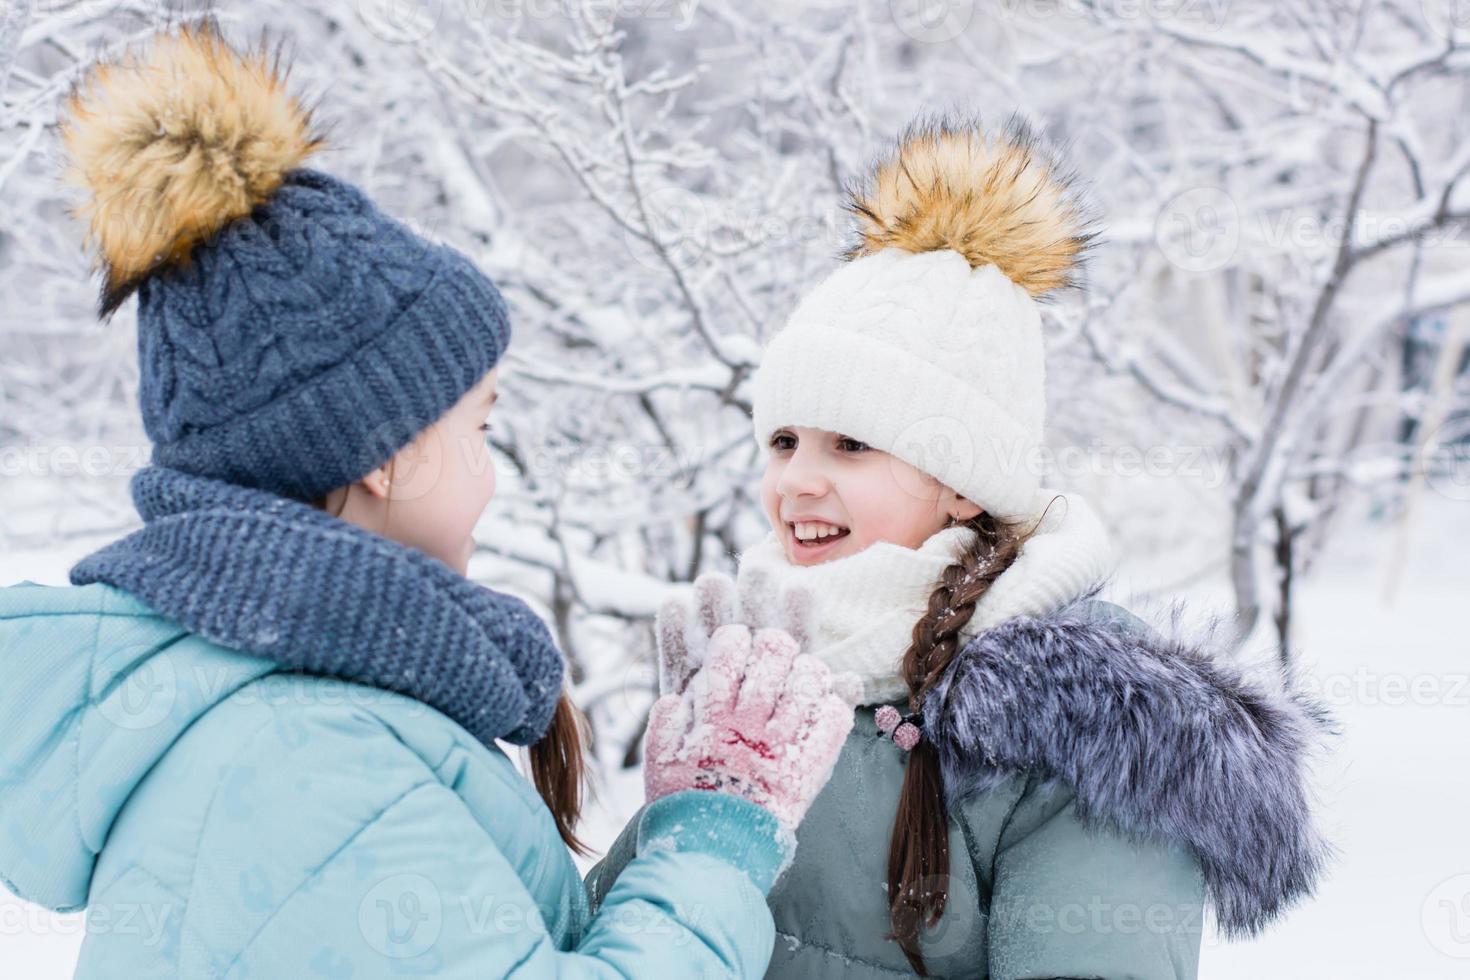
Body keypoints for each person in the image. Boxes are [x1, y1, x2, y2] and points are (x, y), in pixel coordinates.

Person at [0, 24, 857, 977]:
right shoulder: (309, 754)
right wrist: (713, 845)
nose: (492, 474)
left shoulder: (291, 710)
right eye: (481, 429)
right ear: (382, 451)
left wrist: (681, 827)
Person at [588, 116, 1337, 978]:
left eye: (852, 446)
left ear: (963, 481)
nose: (797, 480)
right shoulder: (761, 674)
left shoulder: (1095, 724)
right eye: (784, 441)